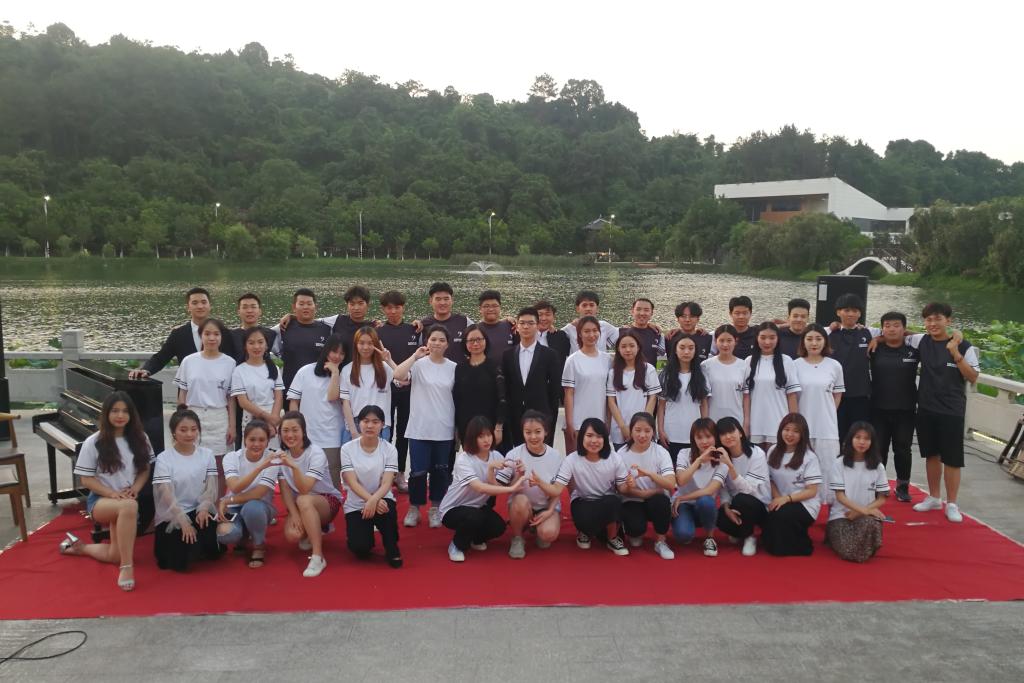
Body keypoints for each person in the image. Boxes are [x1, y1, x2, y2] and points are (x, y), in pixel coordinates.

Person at [61, 391, 153, 590]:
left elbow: (145, 469)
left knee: (115, 554)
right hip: (101, 500)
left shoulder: (141, 438)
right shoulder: (94, 442)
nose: (120, 415)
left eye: (125, 411)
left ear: (131, 414)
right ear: (106, 413)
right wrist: (111, 493)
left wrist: (135, 489)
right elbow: (86, 479)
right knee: (129, 506)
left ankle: (81, 548)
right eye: (115, 411)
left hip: (126, 499)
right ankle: (127, 567)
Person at [905, 303, 980, 523]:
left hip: (952, 410)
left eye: (937, 319)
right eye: (928, 319)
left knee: (952, 459)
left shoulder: (964, 346)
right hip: (926, 407)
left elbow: (972, 377)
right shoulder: (921, 340)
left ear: (948, 320)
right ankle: (934, 497)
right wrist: (877, 338)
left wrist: (955, 352)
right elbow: (899, 333)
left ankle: (952, 503)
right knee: (931, 455)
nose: (932, 324)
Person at [533, 417, 632, 556]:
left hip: (606, 501)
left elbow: (622, 489)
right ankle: (584, 532)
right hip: (582, 501)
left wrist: (629, 485)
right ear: (582, 437)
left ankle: (612, 538)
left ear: (605, 439)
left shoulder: (615, 458)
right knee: (585, 520)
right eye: (589, 435)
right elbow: (556, 489)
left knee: (614, 501)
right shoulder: (572, 459)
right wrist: (540, 482)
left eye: (599, 436)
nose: (594, 441)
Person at [393, 325, 458, 528]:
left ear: (447, 344)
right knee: (417, 472)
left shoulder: (453, 367)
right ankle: (414, 508)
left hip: (444, 428)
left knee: (440, 472)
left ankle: (435, 508)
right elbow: (398, 375)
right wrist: (415, 356)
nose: (437, 343)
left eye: (441, 340)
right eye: (433, 339)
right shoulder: (418, 365)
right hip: (419, 428)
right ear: (426, 341)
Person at [438, 416, 527, 562]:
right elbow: (479, 487)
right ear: (472, 438)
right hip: (452, 509)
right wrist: (511, 489)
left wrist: (520, 473)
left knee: (498, 527)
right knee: (474, 517)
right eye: (481, 436)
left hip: (477, 507)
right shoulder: (464, 459)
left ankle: (475, 539)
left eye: (489, 435)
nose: (487, 440)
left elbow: (497, 487)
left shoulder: (496, 456)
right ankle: (457, 545)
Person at [152, 407, 223, 571]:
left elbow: (211, 488)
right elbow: (166, 494)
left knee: (210, 547)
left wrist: (204, 508)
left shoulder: (207, 455)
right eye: (183, 430)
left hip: (198, 511)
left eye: (193, 429)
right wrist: (183, 522)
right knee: (179, 559)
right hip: (174, 514)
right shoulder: (164, 459)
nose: (189, 434)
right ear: (173, 432)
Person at [276, 411, 344, 578]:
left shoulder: (315, 453)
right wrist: (294, 514)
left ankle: (317, 556)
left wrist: (294, 466)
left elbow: (305, 488)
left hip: (327, 501)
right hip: (301, 503)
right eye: (285, 430)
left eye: (295, 430)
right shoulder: (281, 454)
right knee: (293, 535)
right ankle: (314, 527)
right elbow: (284, 489)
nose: (290, 435)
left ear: (304, 431)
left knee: (303, 499)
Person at [340, 405, 402, 568]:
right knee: (360, 549)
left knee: (387, 511)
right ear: (359, 423)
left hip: (381, 498)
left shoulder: (390, 449)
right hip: (357, 504)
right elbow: (352, 482)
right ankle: (364, 535)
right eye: (365, 421)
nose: (369, 426)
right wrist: (370, 500)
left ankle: (391, 547)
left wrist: (374, 500)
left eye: (375, 422)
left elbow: (387, 482)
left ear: (382, 425)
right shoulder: (347, 449)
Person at [130, 287, 235, 379]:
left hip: (219, 390)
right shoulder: (178, 334)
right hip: (188, 391)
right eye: (195, 303)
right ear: (188, 307)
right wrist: (145, 370)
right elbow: (161, 358)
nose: (200, 306)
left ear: (209, 305)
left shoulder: (224, 333)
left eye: (204, 302)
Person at [869, 311, 919, 502]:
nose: (891, 329)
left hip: (905, 409)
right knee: (879, 449)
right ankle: (878, 485)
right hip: (878, 408)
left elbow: (928, 338)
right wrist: (878, 339)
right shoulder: (874, 349)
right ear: (882, 328)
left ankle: (902, 486)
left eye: (897, 325)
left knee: (903, 449)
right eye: (887, 326)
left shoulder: (914, 350)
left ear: (904, 329)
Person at [215, 419, 280, 568]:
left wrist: (228, 500)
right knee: (225, 534)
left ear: (268, 441)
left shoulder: (273, 459)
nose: (256, 444)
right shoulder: (231, 457)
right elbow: (235, 487)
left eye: (261, 440)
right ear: (245, 440)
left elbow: (258, 494)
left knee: (252, 507)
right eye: (252, 439)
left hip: (260, 507)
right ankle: (243, 536)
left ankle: (259, 545)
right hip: (234, 507)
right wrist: (259, 468)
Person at [793, 323, 845, 501]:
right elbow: (792, 396)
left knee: (828, 466)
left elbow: (837, 395)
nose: (814, 343)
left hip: (826, 426)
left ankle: (829, 505)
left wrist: (828, 413)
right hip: (802, 425)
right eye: (809, 339)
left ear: (825, 341)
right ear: (803, 342)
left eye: (818, 339)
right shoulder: (795, 365)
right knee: (801, 466)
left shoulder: (834, 365)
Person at [501, 410, 563, 559]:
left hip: (546, 506)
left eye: (538, 432)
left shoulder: (556, 456)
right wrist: (519, 475)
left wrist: (550, 510)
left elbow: (558, 490)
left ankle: (537, 527)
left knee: (547, 535)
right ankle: (517, 537)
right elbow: (506, 489)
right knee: (520, 501)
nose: (533, 437)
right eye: (528, 432)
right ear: (522, 432)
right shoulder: (513, 454)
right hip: (522, 505)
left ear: (546, 432)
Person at [761, 412, 822, 558]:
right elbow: (770, 479)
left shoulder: (809, 457)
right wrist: (778, 498)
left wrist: (786, 499)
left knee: (780, 517)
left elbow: (812, 491)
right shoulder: (773, 450)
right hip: (779, 499)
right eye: (786, 429)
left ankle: (802, 545)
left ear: (803, 434)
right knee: (770, 518)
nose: (790, 434)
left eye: (795, 431)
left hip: (804, 504)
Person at [287, 335, 345, 489]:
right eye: (334, 351)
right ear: (326, 350)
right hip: (308, 434)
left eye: (342, 353)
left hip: (332, 434)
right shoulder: (305, 371)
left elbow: (332, 397)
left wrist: (335, 374)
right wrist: (295, 428)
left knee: (332, 474)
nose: (337, 356)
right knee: (306, 475)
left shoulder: (344, 375)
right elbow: (294, 401)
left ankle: (332, 502)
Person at [376, 290, 420, 493]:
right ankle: (384, 473)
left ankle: (400, 472)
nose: (393, 311)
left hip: (409, 390)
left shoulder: (414, 330)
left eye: (397, 307)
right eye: (388, 308)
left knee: (404, 433)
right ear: (383, 309)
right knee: (385, 431)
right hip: (384, 390)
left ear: (403, 307)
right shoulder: (378, 331)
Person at [617, 412, 676, 559]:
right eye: (637, 430)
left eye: (647, 431)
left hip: (656, 499)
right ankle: (633, 530)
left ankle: (661, 541)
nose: (642, 435)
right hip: (632, 499)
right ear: (631, 431)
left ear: (653, 432)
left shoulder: (661, 452)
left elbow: (670, 484)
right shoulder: (621, 453)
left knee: (661, 502)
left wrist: (649, 474)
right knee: (635, 536)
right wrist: (632, 487)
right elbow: (620, 489)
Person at [828, 422, 890, 562]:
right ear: (850, 439)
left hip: (865, 516)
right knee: (850, 551)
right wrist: (863, 510)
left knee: (871, 525)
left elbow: (882, 497)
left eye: (866, 438)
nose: (862, 442)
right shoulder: (839, 463)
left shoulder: (878, 466)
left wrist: (861, 511)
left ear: (872, 442)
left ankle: (861, 547)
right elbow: (840, 496)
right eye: (858, 437)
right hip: (841, 516)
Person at [175, 318, 237, 457]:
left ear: (221, 336)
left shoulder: (230, 363)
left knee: (220, 461)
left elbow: (231, 398)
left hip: (219, 418)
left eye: (216, 334)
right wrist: (181, 421)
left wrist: (232, 426)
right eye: (207, 334)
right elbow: (182, 393)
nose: (212, 338)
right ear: (200, 335)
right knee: (191, 457)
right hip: (193, 417)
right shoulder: (189, 361)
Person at [501, 307, 562, 447]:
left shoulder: (549, 355)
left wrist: (550, 417)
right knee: (518, 454)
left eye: (530, 323)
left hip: (541, 415)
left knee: (541, 453)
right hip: (515, 415)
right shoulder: (508, 355)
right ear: (517, 326)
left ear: (537, 326)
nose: (526, 327)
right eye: (522, 323)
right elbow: (506, 387)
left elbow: (554, 390)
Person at [714, 417, 771, 557]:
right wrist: (726, 507)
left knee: (742, 499)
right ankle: (740, 532)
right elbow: (723, 487)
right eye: (723, 434)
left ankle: (749, 536)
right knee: (719, 517)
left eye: (731, 431)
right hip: (736, 505)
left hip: (759, 505)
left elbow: (748, 489)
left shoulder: (757, 454)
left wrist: (730, 466)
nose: (728, 436)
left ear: (740, 432)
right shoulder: (722, 456)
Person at [671, 418, 727, 557]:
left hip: (703, 503)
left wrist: (681, 497)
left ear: (715, 437)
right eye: (699, 437)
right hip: (684, 505)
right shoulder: (684, 453)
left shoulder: (722, 460)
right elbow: (681, 481)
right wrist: (699, 460)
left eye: (708, 436)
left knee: (706, 500)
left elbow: (710, 490)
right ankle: (687, 522)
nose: (704, 441)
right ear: (693, 439)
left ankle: (710, 537)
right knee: (683, 536)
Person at [828, 293, 877, 440]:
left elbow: (894, 333)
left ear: (860, 314)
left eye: (855, 311)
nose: (850, 314)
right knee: (837, 435)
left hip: (860, 395)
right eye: (846, 310)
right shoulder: (828, 333)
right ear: (838, 312)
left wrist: (878, 339)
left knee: (859, 436)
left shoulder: (868, 332)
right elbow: (801, 328)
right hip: (835, 395)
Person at [743, 322, 800, 447]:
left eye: (772, 338)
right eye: (763, 337)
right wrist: (746, 423)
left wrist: (793, 423)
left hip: (779, 422)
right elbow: (746, 396)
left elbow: (791, 395)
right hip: (755, 423)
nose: (767, 342)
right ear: (757, 338)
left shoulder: (786, 361)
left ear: (778, 339)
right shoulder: (748, 361)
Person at [561, 316, 613, 453]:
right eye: (587, 331)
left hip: (599, 420)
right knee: (575, 461)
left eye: (595, 330)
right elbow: (568, 393)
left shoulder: (607, 359)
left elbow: (609, 394)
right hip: (578, 422)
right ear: (579, 334)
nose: (591, 335)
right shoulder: (573, 360)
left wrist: (608, 422)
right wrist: (570, 423)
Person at [658, 335, 711, 466]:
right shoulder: (666, 374)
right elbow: (661, 406)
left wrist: (705, 429)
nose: (686, 352)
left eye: (690, 348)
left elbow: (704, 404)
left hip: (694, 433)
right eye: (682, 348)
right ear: (675, 350)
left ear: (695, 351)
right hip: (671, 432)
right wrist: (661, 430)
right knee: (672, 469)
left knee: (693, 469)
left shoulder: (701, 374)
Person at [339, 326, 396, 444]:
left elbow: (404, 379)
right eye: (361, 343)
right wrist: (353, 432)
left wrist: (388, 360)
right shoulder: (347, 370)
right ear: (356, 344)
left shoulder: (385, 368)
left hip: (380, 426)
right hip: (355, 425)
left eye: (370, 343)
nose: (365, 347)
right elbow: (345, 402)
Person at [453, 323, 507, 447]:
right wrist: (456, 427)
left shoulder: (495, 366)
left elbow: (502, 399)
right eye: (471, 340)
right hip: (466, 425)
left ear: (485, 341)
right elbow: (457, 400)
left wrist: (499, 427)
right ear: (465, 343)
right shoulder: (460, 368)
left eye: (479, 339)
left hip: (490, 425)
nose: (475, 343)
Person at [606, 331, 661, 449]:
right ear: (618, 349)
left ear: (638, 347)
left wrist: (643, 425)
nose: (628, 350)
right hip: (620, 431)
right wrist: (623, 427)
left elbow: (652, 398)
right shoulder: (613, 373)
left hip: (643, 431)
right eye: (623, 346)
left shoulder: (648, 369)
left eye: (632, 346)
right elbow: (611, 401)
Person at [230, 327, 284, 443]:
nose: (256, 346)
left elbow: (279, 397)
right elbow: (243, 402)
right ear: (245, 346)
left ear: (266, 345)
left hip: (274, 418)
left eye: (260, 342)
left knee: (275, 453)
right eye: (251, 343)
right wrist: (268, 419)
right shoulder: (239, 371)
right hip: (252, 418)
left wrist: (274, 419)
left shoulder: (274, 368)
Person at [275, 288, 332, 390]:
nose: (305, 307)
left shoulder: (327, 329)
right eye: (301, 304)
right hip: (289, 388)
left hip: (317, 389)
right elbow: (259, 339)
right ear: (294, 307)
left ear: (315, 307)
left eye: (309, 304)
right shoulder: (283, 328)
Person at [702, 324, 746, 423]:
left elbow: (746, 398)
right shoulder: (706, 366)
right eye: (721, 340)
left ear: (736, 341)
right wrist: (705, 422)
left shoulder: (744, 366)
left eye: (729, 340)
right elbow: (704, 400)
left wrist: (746, 423)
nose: (725, 344)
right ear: (715, 341)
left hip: (737, 420)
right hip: (713, 420)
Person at [419, 282, 472, 362]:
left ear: (452, 300)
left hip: (459, 369)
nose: (442, 303)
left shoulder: (465, 322)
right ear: (430, 301)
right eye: (438, 299)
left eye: (446, 299)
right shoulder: (423, 325)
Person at [325, 285, 378, 360]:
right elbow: (313, 322)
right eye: (352, 304)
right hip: (340, 366)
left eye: (360, 303)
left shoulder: (373, 327)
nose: (356, 308)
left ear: (368, 305)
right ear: (347, 305)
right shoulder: (337, 320)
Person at [230, 292, 277, 363]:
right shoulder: (230, 336)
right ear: (238, 312)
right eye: (245, 307)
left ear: (260, 311)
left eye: (253, 307)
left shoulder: (270, 334)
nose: (249, 311)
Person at [477, 289, 518, 364]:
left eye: (494, 306)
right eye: (486, 306)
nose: (491, 309)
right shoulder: (475, 331)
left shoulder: (511, 326)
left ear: (500, 307)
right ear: (480, 309)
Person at [619, 298, 664, 365]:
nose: (642, 313)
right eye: (638, 309)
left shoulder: (657, 334)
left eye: (646, 310)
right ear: (632, 311)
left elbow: (663, 353)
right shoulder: (621, 332)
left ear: (652, 313)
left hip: (649, 371)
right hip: (626, 371)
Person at [534, 300, 571, 365]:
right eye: (540, 315)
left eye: (547, 314)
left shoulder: (560, 336)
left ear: (554, 317)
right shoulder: (524, 335)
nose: (544, 318)